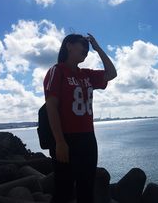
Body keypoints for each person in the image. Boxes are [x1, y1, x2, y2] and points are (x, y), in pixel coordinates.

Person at [43, 33, 117, 203]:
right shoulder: (57, 71)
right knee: (64, 190)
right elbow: (51, 106)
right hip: (66, 138)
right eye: (82, 45)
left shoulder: (87, 75)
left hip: (88, 138)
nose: (86, 49)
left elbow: (111, 73)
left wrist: (98, 49)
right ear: (69, 45)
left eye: (88, 47)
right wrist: (60, 142)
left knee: (86, 188)